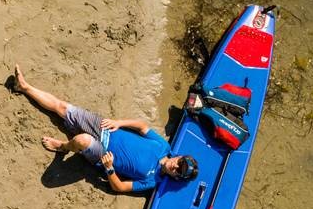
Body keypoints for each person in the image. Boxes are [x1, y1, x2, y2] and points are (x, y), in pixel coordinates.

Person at [11, 64, 198, 193]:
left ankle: (63, 147)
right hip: (107, 129)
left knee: (81, 140)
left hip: (102, 154)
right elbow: (142, 127)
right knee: (63, 108)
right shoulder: (163, 147)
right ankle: (25, 87)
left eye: (178, 171)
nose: (175, 166)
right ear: (179, 156)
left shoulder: (151, 181)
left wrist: (109, 169)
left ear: (175, 177)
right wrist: (118, 122)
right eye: (179, 162)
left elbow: (120, 188)